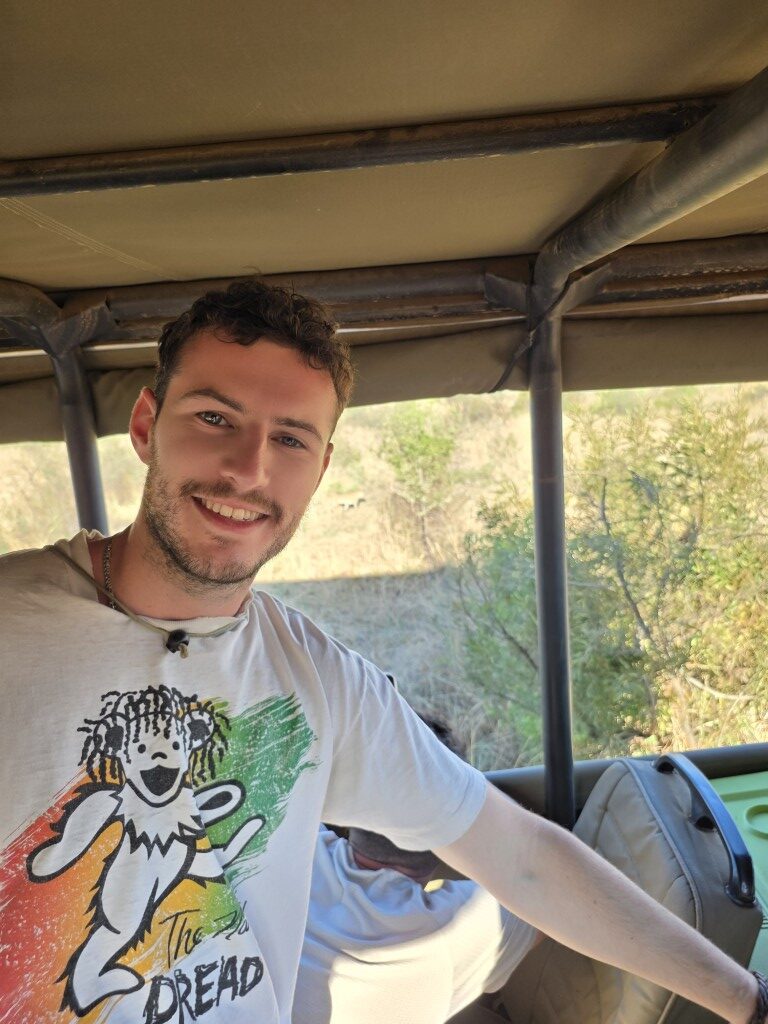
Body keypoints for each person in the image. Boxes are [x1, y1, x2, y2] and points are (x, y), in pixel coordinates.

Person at [0, 280, 763, 1024]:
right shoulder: (14, 622)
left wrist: (748, 1001)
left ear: (321, 468)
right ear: (145, 425)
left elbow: (520, 855)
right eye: (214, 417)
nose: (249, 469)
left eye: (290, 439)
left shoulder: (317, 680)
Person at [294, 714, 539, 1024]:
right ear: (452, 833)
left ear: (351, 807)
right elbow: (551, 896)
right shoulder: (449, 932)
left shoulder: (290, 853)